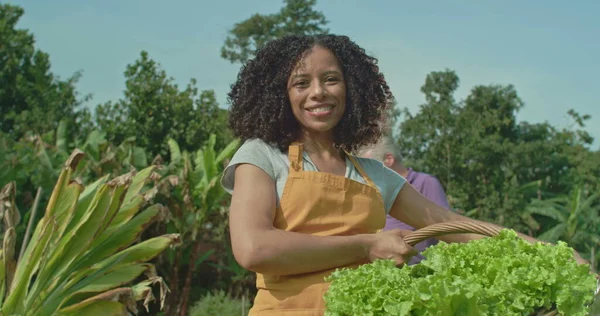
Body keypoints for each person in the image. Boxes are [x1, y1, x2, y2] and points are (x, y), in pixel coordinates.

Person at [220, 34, 586, 315]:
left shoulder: (374, 175)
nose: (318, 92)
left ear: (351, 90)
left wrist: (554, 256)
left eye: (331, 79)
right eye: (301, 83)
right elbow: (255, 248)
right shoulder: (261, 156)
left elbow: (454, 226)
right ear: (281, 95)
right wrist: (366, 245)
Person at [358, 136, 450, 265]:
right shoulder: (372, 191)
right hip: (380, 270)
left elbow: (447, 229)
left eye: (369, 168)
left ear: (388, 160)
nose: (364, 175)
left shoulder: (425, 183)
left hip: (417, 270)